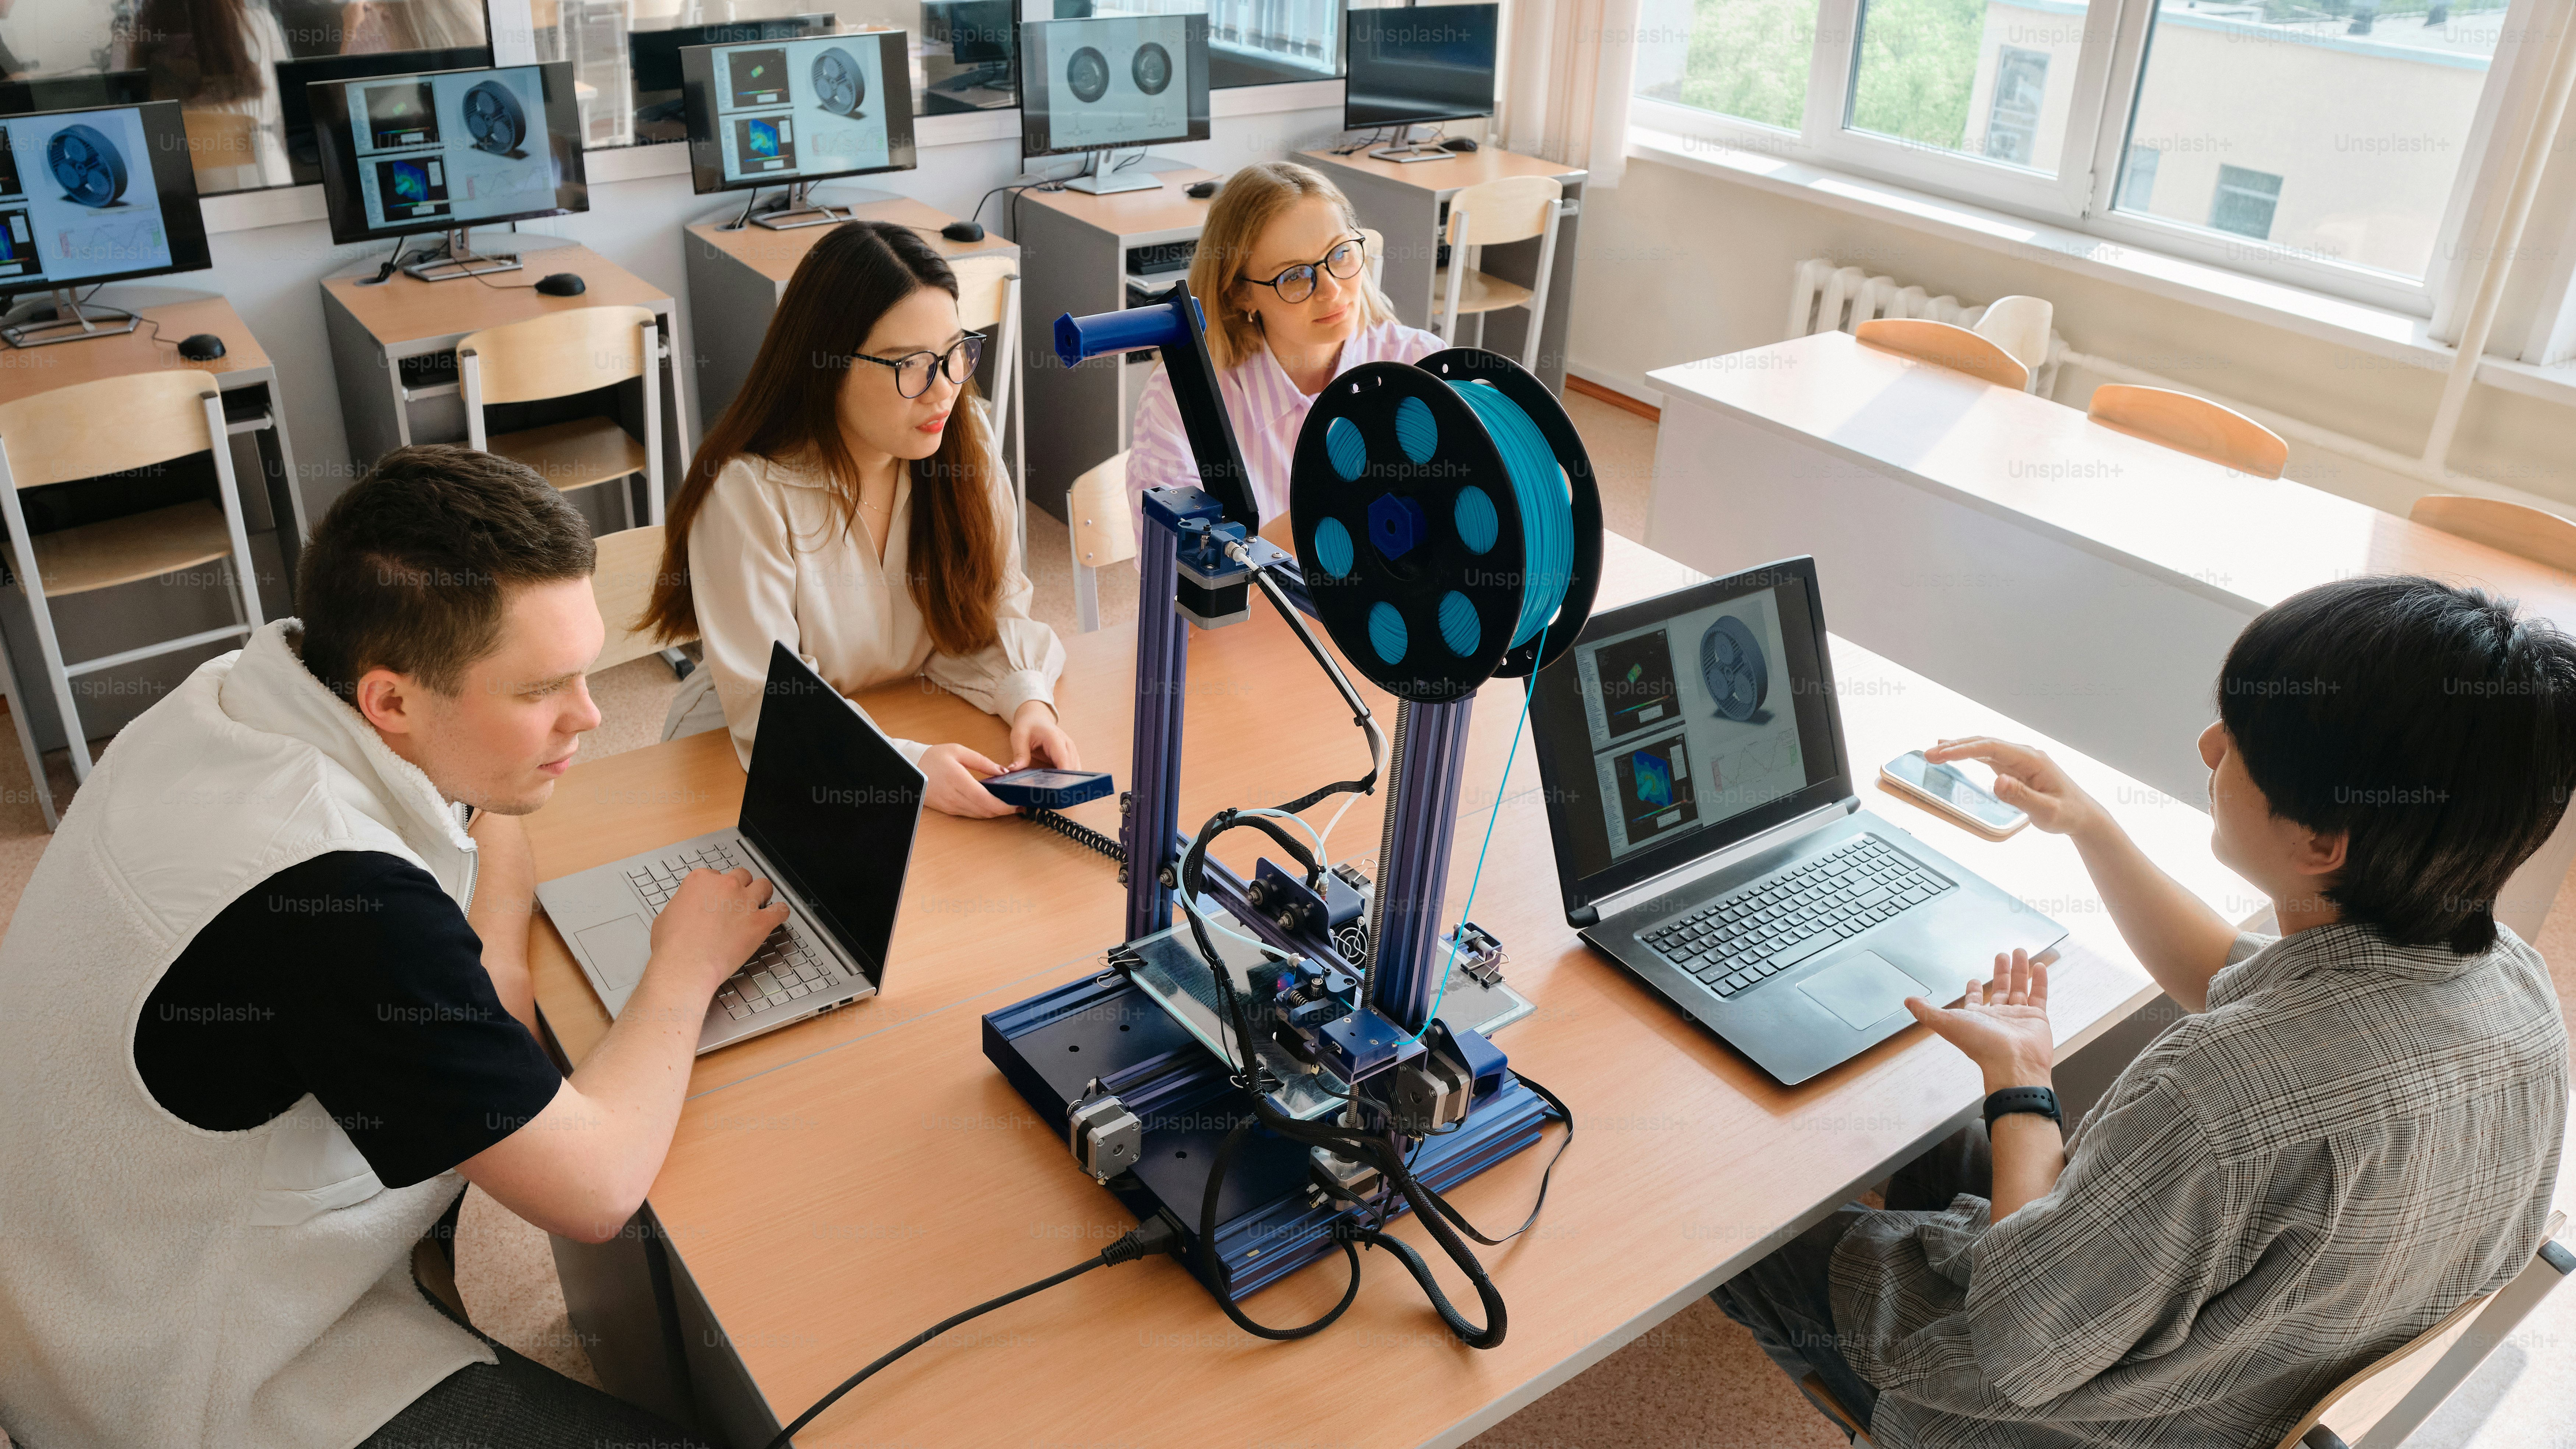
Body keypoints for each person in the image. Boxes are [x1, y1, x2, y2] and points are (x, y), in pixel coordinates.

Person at [0, 446, 784, 1449]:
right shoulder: (335, 898)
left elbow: (482, 815)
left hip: (83, 1262)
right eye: (543, 689)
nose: (589, 717)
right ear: (392, 702)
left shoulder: (261, 682)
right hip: (181, 1372)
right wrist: (687, 961)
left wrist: (492, 969)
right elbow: (594, 1189)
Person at [1715, 575, 2575, 1447]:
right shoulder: (2514, 982)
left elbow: (2017, 1342)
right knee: (1917, 1127)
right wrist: (2089, 824)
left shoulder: (2219, 1091)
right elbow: (2225, 973)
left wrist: (2021, 1083)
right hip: (2238, 1381)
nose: (2208, 746)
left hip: (2041, 1414)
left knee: (1729, 1220)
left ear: (2322, 844)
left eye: (2239, 743)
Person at [646, 220, 1074, 819]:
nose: (944, 390)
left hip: (897, 709)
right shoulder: (748, 493)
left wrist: (1029, 700)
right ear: (827, 366)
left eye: (956, 353)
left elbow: (992, 611)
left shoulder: (963, 436)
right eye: (911, 365)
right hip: (738, 751)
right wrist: (908, 764)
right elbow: (774, 708)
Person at [1127, 160, 1444, 531]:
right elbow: (1186, 575)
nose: (1331, 290)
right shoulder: (1179, 402)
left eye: (1341, 253)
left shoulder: (1421, 362)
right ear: (1241, 294)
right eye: (1294, 275)